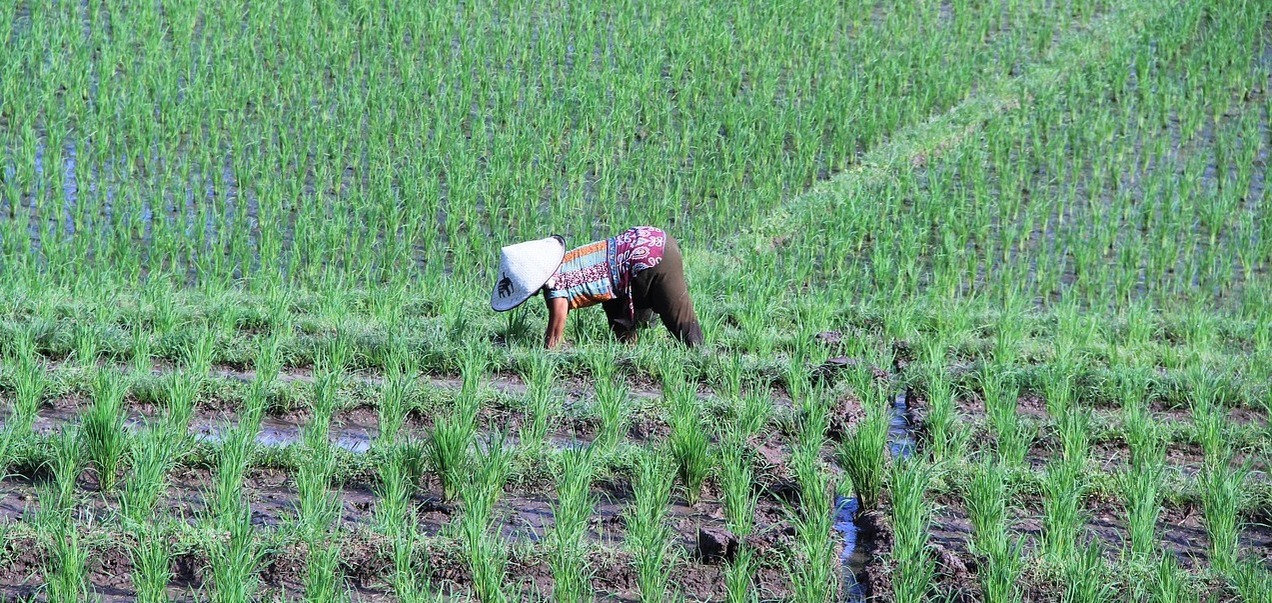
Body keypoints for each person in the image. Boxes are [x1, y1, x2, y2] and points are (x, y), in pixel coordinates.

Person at [490, 226, 704, 348]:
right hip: (647, 242)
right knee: (615, 306)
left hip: (650, 255)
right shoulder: (569, 259)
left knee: (679, 317)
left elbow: (555, 334)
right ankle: (629, 352)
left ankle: (700, 357)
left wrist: (545, 356)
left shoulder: (556, 286)